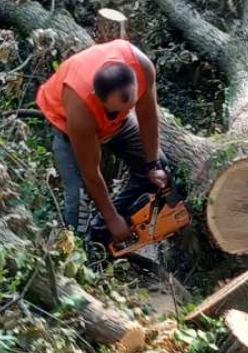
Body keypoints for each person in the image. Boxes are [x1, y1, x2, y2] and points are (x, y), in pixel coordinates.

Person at [36, 39, 168, 245]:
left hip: (118, 123)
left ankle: (102, 234)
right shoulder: (80, 109)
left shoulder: (142, 67)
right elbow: (91, 172)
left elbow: (148, 117)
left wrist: (152, 165)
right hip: (67, 125)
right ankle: (77, 253)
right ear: (97, 97)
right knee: (78, 201)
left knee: (158, 167)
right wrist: (112, 218)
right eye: (115, 109)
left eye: (131, 104)